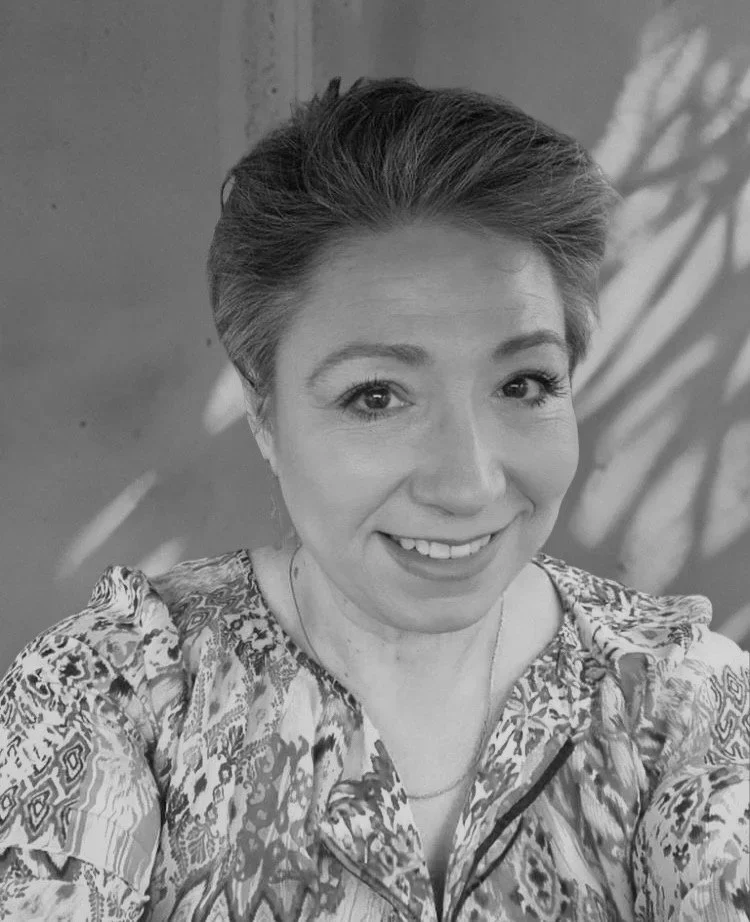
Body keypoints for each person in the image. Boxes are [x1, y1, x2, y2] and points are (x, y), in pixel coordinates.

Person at [0, 76, 748, 922]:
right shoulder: (118, 692)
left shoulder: (679, 704)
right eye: (376, 396)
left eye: (525, 383)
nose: (469, 484)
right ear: (264, 414)